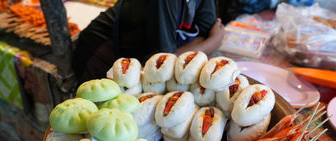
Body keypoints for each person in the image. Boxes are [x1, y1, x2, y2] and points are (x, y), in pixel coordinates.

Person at [72, 0, 225, 84]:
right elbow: (162, 62)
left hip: (141, 59)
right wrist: (212, 42)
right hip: (102, 56)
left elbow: (207, 29)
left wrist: (205, 42)